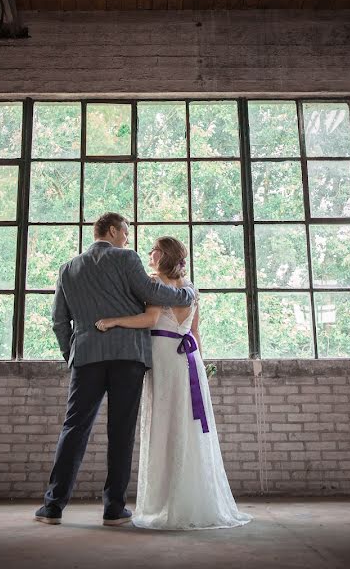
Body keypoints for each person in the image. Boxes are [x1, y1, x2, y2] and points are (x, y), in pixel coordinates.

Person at [35, 213, 196, 527]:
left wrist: (73, 352)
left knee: (74, 429)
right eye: (125, 231)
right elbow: (153, 295)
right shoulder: (126, 258)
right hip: (127, 357)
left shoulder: (67, 268)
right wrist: (187, 294)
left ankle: (52, 506)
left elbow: (59, 321)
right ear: (111, 230)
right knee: (120, 433)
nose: (127, 237)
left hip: (86, 357)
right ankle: (114, 509)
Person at [95, 236, 252, 530]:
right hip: (190, 360)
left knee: (164, 423)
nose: (149, 254)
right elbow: (195, 330)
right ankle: (191, 498)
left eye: (153, 250)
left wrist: (115, 321)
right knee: (188, 426)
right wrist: (201, 367)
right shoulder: (191, 289)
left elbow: (150, 319)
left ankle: (166, 503)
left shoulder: (157, 286)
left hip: (166, 359)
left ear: (164, 255)